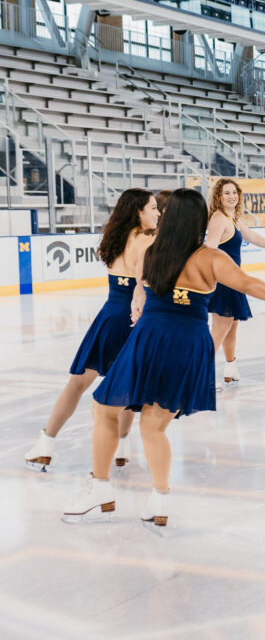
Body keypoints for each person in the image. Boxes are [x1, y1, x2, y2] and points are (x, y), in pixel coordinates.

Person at [61, 189, 265, 526]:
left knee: (104, 408)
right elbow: (247, 283)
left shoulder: (153, 250)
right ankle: (159, 499)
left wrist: (138, 294)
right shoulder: (210, 258)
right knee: (153, 426)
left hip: (150, 338)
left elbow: (141, 283)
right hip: (188, 343)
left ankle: (101, 486)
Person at [24, 189, 159, 472]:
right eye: (153, 208)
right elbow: (147, 283)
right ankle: (122, 445)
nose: (158, 214)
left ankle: (46, 442)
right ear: (139, 212)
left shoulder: (115, 236)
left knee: (77, 383)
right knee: (128, 384)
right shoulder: (147, 239)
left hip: (109, 316)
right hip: (135, 315)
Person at [205, 178, 265, 385]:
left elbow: (252, 236)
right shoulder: (218, 218)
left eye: (234, 192)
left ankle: (230, 367)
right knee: (220, 330)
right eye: (226, 193)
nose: (232, 196)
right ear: (218, 197)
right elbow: (210, 250)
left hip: (234, 280)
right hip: (223, 282)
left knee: (232, 326)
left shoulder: (233, 218)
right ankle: (201, 375)